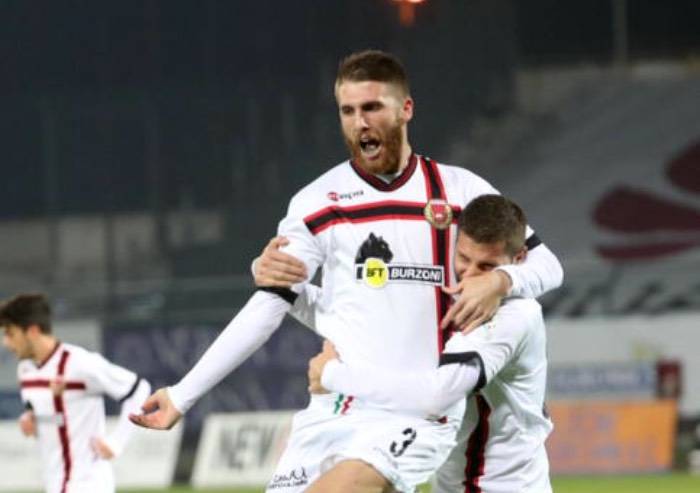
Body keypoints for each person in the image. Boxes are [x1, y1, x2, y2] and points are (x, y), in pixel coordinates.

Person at [131, 50, 562, 493]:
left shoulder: (460, 190)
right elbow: (270, 303)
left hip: (416, 412)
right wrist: (183, 394)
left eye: (372, 107)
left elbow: (547, 265)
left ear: (405, 109)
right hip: (333, 407)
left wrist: (502, 280)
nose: (360, 123)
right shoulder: (316, 203)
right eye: (348, 111)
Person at [304, 195, 552, 492]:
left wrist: (333, 375)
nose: (471, 275)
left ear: (519, 259)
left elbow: (437, 395)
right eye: (464, 259)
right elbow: (368, 321)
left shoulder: (516, 315)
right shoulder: (452, 296)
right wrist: (288, 289)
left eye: (487, 266)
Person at [0, 293, 151, 493]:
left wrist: (117, 441)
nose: (6, 342)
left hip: (88, 484)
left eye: (10, 334)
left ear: (33, 331)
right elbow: (47, 413)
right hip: (55, 483)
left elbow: (139, 388)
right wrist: (30, 419)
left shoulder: (80, 363)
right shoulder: (25, 369)